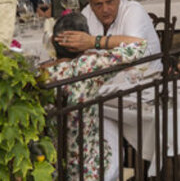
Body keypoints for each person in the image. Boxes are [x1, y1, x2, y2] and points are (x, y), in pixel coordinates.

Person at [43, 11, 145, 181]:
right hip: (90, 171)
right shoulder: (88, 65)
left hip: (53, 171)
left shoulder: (43, 74)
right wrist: (94, 41)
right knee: (113, 130)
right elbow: (140, 45)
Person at [59, 0, 162, 81]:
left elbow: (134, 48)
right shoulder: (87, 13)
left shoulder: (133, 11)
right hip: (106, 82)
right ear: (90, 4)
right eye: (98, 4)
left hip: (145, 83)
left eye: (109, 2)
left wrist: (93, 42)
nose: (105, 9)